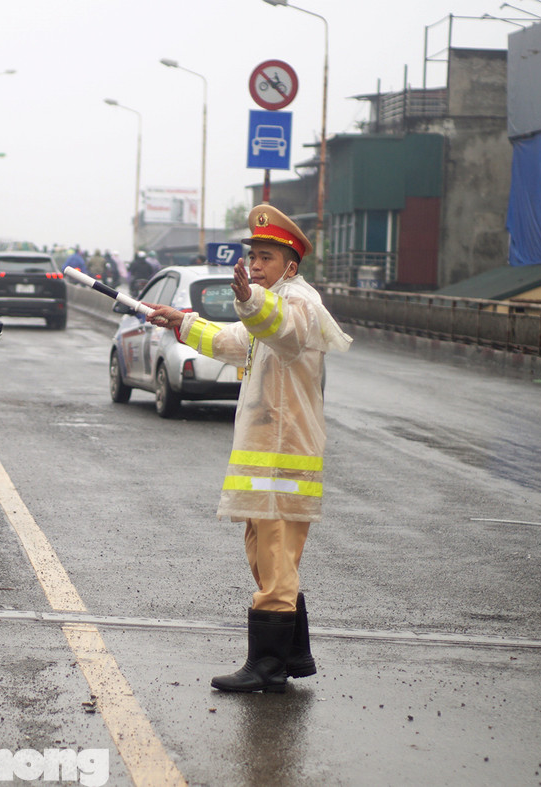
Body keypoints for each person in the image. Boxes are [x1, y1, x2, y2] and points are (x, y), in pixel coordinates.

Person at [146, 204, 353, 694]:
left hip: (285, 463)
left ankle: (267, 665)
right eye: (253, 257)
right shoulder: (271, 306)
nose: (255, 266)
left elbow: (281, 328)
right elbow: (234, 340)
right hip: (268, 464)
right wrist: (182, 323)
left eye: (265, 258)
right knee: (266, 559)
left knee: (276, 565)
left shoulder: (299, 304)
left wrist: (248, 300)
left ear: (290, 266)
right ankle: (291, 656)